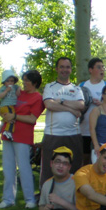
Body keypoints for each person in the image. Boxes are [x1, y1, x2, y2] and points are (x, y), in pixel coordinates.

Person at [0, 70, 44, 209]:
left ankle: (29, 199)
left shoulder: (37, 98)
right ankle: (8, 199)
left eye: (27, 80)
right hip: (8, 133)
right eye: (23, 80)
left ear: (34, 83)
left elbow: (32, 119)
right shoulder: (19, 93)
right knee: (8, 167)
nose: (24, 83)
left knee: (24, 168)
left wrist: (14, 117)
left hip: (23, 136)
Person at [12, 147, 79, 210]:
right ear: (51, 164)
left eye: (65, 163)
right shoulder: (47, 184)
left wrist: (61, 202)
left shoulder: (76, 182)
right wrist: (44, 209)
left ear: (69, 167)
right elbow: (41, 208)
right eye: (57, 162)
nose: (60, 166)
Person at [40, 57, 85, 187]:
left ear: (71, 69)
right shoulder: (50, 87)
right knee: (50, 169)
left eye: (67, 67)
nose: (65, 70)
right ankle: (46, 199)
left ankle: (74, 198)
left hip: (73, 134)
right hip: (53, 134)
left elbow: (81, 105)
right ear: (57, 69)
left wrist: (61, 101)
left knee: (74, 167)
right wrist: (72, 110)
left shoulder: (76, 89)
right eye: (62, 67)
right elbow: (49, 104)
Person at [79, 58, 106, 165]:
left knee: (99, 160)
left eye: (103, 67)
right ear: (90, 70)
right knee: (84, 160)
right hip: (84, 129)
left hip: (100, 131)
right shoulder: (82, 86)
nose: (102, 69)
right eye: (98, 67)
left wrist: (101, 104)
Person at [0, 70, 21, 143]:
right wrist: (6, 91)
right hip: (6, 106)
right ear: (4, 82)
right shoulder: (3, 88)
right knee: (12, 118)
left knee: (4, 121)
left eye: (12, 81)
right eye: (8, 81)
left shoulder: (15, 87)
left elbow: (18, 94)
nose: (10, 83)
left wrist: (18, 88)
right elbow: (0, 96)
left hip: (11, 106)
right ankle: (8, 131)